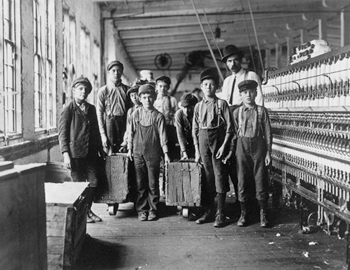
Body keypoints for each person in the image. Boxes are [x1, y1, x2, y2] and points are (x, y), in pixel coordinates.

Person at [58, 76, 104, 223]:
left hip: (90, 153)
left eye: (86, 89)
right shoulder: (68, 110)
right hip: (75, 154)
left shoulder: (91, 109)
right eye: (80, 89)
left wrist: (100, 150)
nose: (83, 92)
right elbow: (62, 133)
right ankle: (86, 213)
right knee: (79, 185)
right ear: (73, 91)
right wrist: (66, 154)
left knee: (94, 182)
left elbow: (96, 131)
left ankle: (86, 211)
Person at [192, 68, 234, 228]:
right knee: (208, 178)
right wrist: (197, 151)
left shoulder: (222, 104)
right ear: (201, 87)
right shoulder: (197, 107)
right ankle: (208, 211)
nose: (208, 87)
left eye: (212, 84)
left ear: (216, 87)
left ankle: (220, 213)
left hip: (218, 141)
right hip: (203, 141)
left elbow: (230, 128)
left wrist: (224, 147)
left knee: (220, 176)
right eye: (205, 84)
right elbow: (195, 130)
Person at [232, 80, 272, 228]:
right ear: (240, 95)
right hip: (241, 148)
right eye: (244, 92)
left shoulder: (262, 111)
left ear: (256, 93)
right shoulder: (236, 112)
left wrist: (268, 153)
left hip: (258, 148)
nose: (248, 95)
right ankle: (244, 214)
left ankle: (263, 213)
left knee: (260, 180)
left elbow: (268, 133)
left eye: (251, 92)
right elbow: (233, 134)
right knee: (242, 181)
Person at [127, 84, 170, 221]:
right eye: (144, 97)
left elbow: (163, 137)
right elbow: (130, 133)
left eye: (150, 97)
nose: (147, 100)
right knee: (140, 183)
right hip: (137, 152)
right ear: (139, 98)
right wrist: (129, 149)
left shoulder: (159, 116)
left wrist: (166, 153)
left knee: (152, 182)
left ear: (154, 98)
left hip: (154, 153)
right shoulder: (135, 114)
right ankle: (141, 209)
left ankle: (153, 209)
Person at [97, 60, 129, 155]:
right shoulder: (103, 91)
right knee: (110, 152)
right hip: (109, 124)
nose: (116, 73)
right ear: (109, 72)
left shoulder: (127, 90)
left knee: (124, 151)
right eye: (113, 70)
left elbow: (131, 113)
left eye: (119, 70)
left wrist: (128, 135)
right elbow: (99, 113)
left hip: (124, 123)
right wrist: (103, 135)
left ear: (122, 72)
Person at [153, 76, 178, 159]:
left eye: (165, 86)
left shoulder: (172, 100)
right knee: (157, 152)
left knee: (170, 151)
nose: (162, 89)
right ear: (156, 87)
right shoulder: (153, 100)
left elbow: (176, 115)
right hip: (156, 128)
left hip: (169, 128)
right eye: (160, 86)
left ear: (168, 88)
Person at [119, 83, 142, 153]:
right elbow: (128, 128)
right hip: (133, 138)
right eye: (132, 96)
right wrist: (125, 141)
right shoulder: (130, 111)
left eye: (136, 95)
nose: (134, 98)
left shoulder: (145, 109)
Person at [174, 93, 198, 160]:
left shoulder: (198, 114)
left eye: (189, 107)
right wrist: (184, 151)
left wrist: (197, 151)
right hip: (185, 140)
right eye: (184, 107)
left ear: (194, 106)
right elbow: (180, 133)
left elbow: (198, 133)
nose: (186, 110)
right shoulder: (179, 114)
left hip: (197, 140)